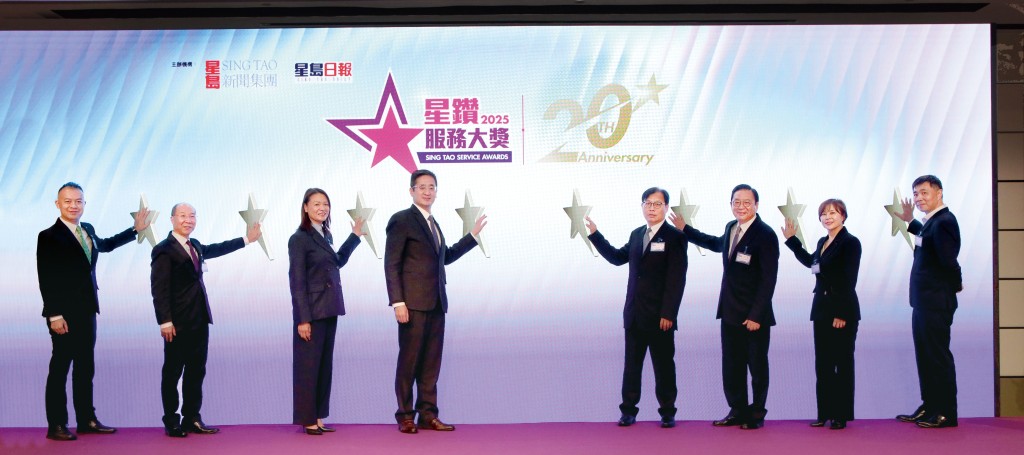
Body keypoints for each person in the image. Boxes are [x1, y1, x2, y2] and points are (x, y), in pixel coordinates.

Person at [36, 182, 151, 441]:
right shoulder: (48, 236)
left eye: (78, 201)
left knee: (85, 368)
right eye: (68, 201)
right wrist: (54, 315)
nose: (73, 205)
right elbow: (46, 277)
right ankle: (56, 425)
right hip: (63, 314)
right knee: (60, 368)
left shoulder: (87, 229)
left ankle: (87, 420)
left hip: (87, 309)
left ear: (84, 204)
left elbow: (105, 245)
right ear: (57, 204)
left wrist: (135, 230)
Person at [384, 169, 486, 434]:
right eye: (422, 187)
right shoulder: (401, 219)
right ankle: (405, 415)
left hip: (437, 303)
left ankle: (428, 415)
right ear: (412, 191)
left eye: (432, 187)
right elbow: (391, 263)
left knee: (431, 364)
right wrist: (398, 302)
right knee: (409, 362)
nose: (428, 192)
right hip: (412, 305)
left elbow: (445, 257)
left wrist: (472, 236)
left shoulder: (434, 223)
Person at [669, 184, 779, 430]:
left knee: (757, 367)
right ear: (730, 204)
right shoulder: (731, 228)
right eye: (736, 202)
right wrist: (686, 229)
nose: (741, 206)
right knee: (732, 367)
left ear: (757, 205)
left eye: (747, 202)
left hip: (754, 316)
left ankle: (757, 414)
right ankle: (737, 411)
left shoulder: (766, 234)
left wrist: (756, 315)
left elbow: (768, 279)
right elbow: (716, 243)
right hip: (730, 311)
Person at [150, 202, 260, 437]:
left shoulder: (195, 245)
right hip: (176, 324)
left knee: (196, 371)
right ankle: (171, 421)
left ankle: (192, 418)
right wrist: (165, 321)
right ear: (172, 219)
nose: (188, 220)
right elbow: (159, 288)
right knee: (172, 373)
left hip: (199, 320)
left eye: (192, 216)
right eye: (182, 216)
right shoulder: (163, 249)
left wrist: (247, 239)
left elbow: (217, 248)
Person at [585, 187, 687, 429]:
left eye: (657, 204)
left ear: (666, 207)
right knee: (632, 367)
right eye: (647, 203)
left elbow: (677, 279)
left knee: (664, 367)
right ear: (642, 206)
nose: (652, 208)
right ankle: (628, 412)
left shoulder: (675, 237)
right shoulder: (637, 234)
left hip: (661, 317)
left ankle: (667, 412)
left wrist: (669, 313)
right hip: (634, 315)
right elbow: (617, 258)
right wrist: (596, 235)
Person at [287, 188, 363, 435]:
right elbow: (297, 281)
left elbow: (336, 262)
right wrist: (302, 319)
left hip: (329, 308)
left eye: (326, 204)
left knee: (323, 367)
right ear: (305, 207)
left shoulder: (325, 234)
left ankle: (318, 416)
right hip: (311, 312)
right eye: (317, 204)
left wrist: (354, 237)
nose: (322, 208)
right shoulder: (299, 238)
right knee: (308, 367)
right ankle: (307, 419)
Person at [780, 199, 861, 430]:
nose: (828, 217)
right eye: (824, 214)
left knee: (841, 364)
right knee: (823, 364)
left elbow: (849, 279)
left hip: (841, 311)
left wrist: (841, 313)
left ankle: (840, 415)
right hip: (821, 310)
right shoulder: (822, 242)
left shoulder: (850, 242)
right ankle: (824, 413)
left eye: (833, 213)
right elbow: (811, 263)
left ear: (843, 216)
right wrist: (792, 241)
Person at [894, 175, 962, 429]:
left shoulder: (944, 221)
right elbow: (927, 239)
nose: (919, 198)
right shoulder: (931, 222)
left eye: (924, 192)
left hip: (936, 301)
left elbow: (948, 260)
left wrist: (957, 284)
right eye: (916, 193)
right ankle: (930, 406)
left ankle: (946, 412)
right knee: (925, 356)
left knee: (937, 356)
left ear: (939, 193)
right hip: (923, 301)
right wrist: (910, 220)